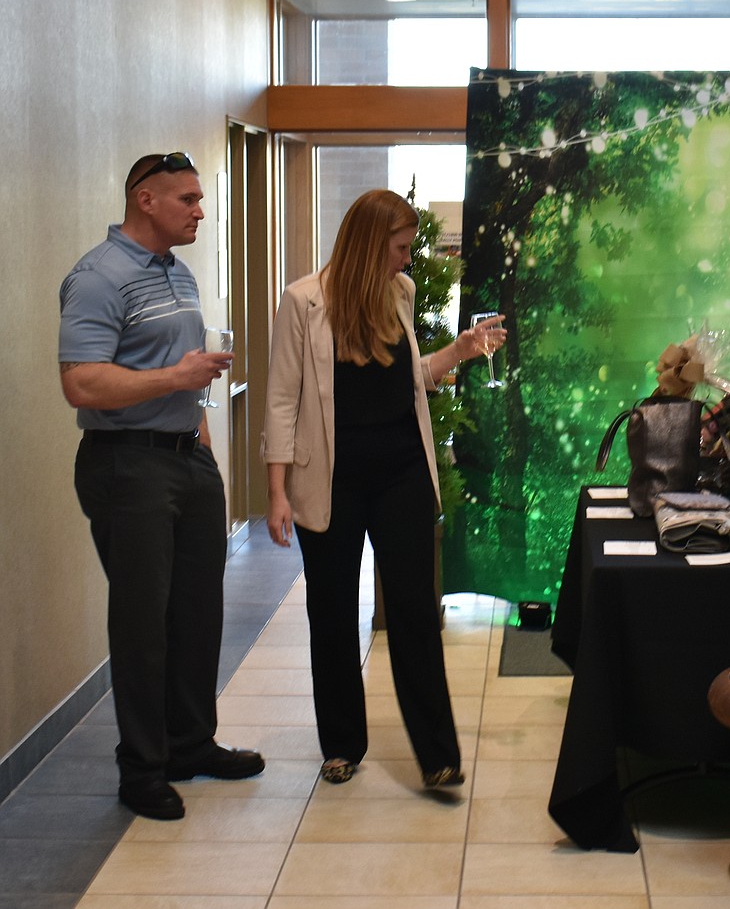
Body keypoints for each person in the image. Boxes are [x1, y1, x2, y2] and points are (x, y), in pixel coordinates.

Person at [262, 189, 505, 788]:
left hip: (402, 475)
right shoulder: (303, 301)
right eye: (400, 248)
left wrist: (461, 350)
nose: (408, 259)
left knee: (415, 612)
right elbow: (282, 401)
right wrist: (277, 491)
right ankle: (342, 744)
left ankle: (437, 755)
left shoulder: (400, 294)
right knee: (333, 612)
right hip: (332, 479)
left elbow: (410, 380)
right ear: (372, 244)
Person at [58, 152, 265, 821]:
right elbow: (82, 382)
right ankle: (141, 770)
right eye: (188, 200)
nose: (200, 211)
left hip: (186, 457)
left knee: (198, 612)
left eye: (199, 200)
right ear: (145, 200)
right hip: (127, 463)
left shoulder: (177, 271)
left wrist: (199, 442)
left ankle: (189, 743)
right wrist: (175, 381)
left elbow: (176, 369)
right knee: (144, 623)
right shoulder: (97, 277)